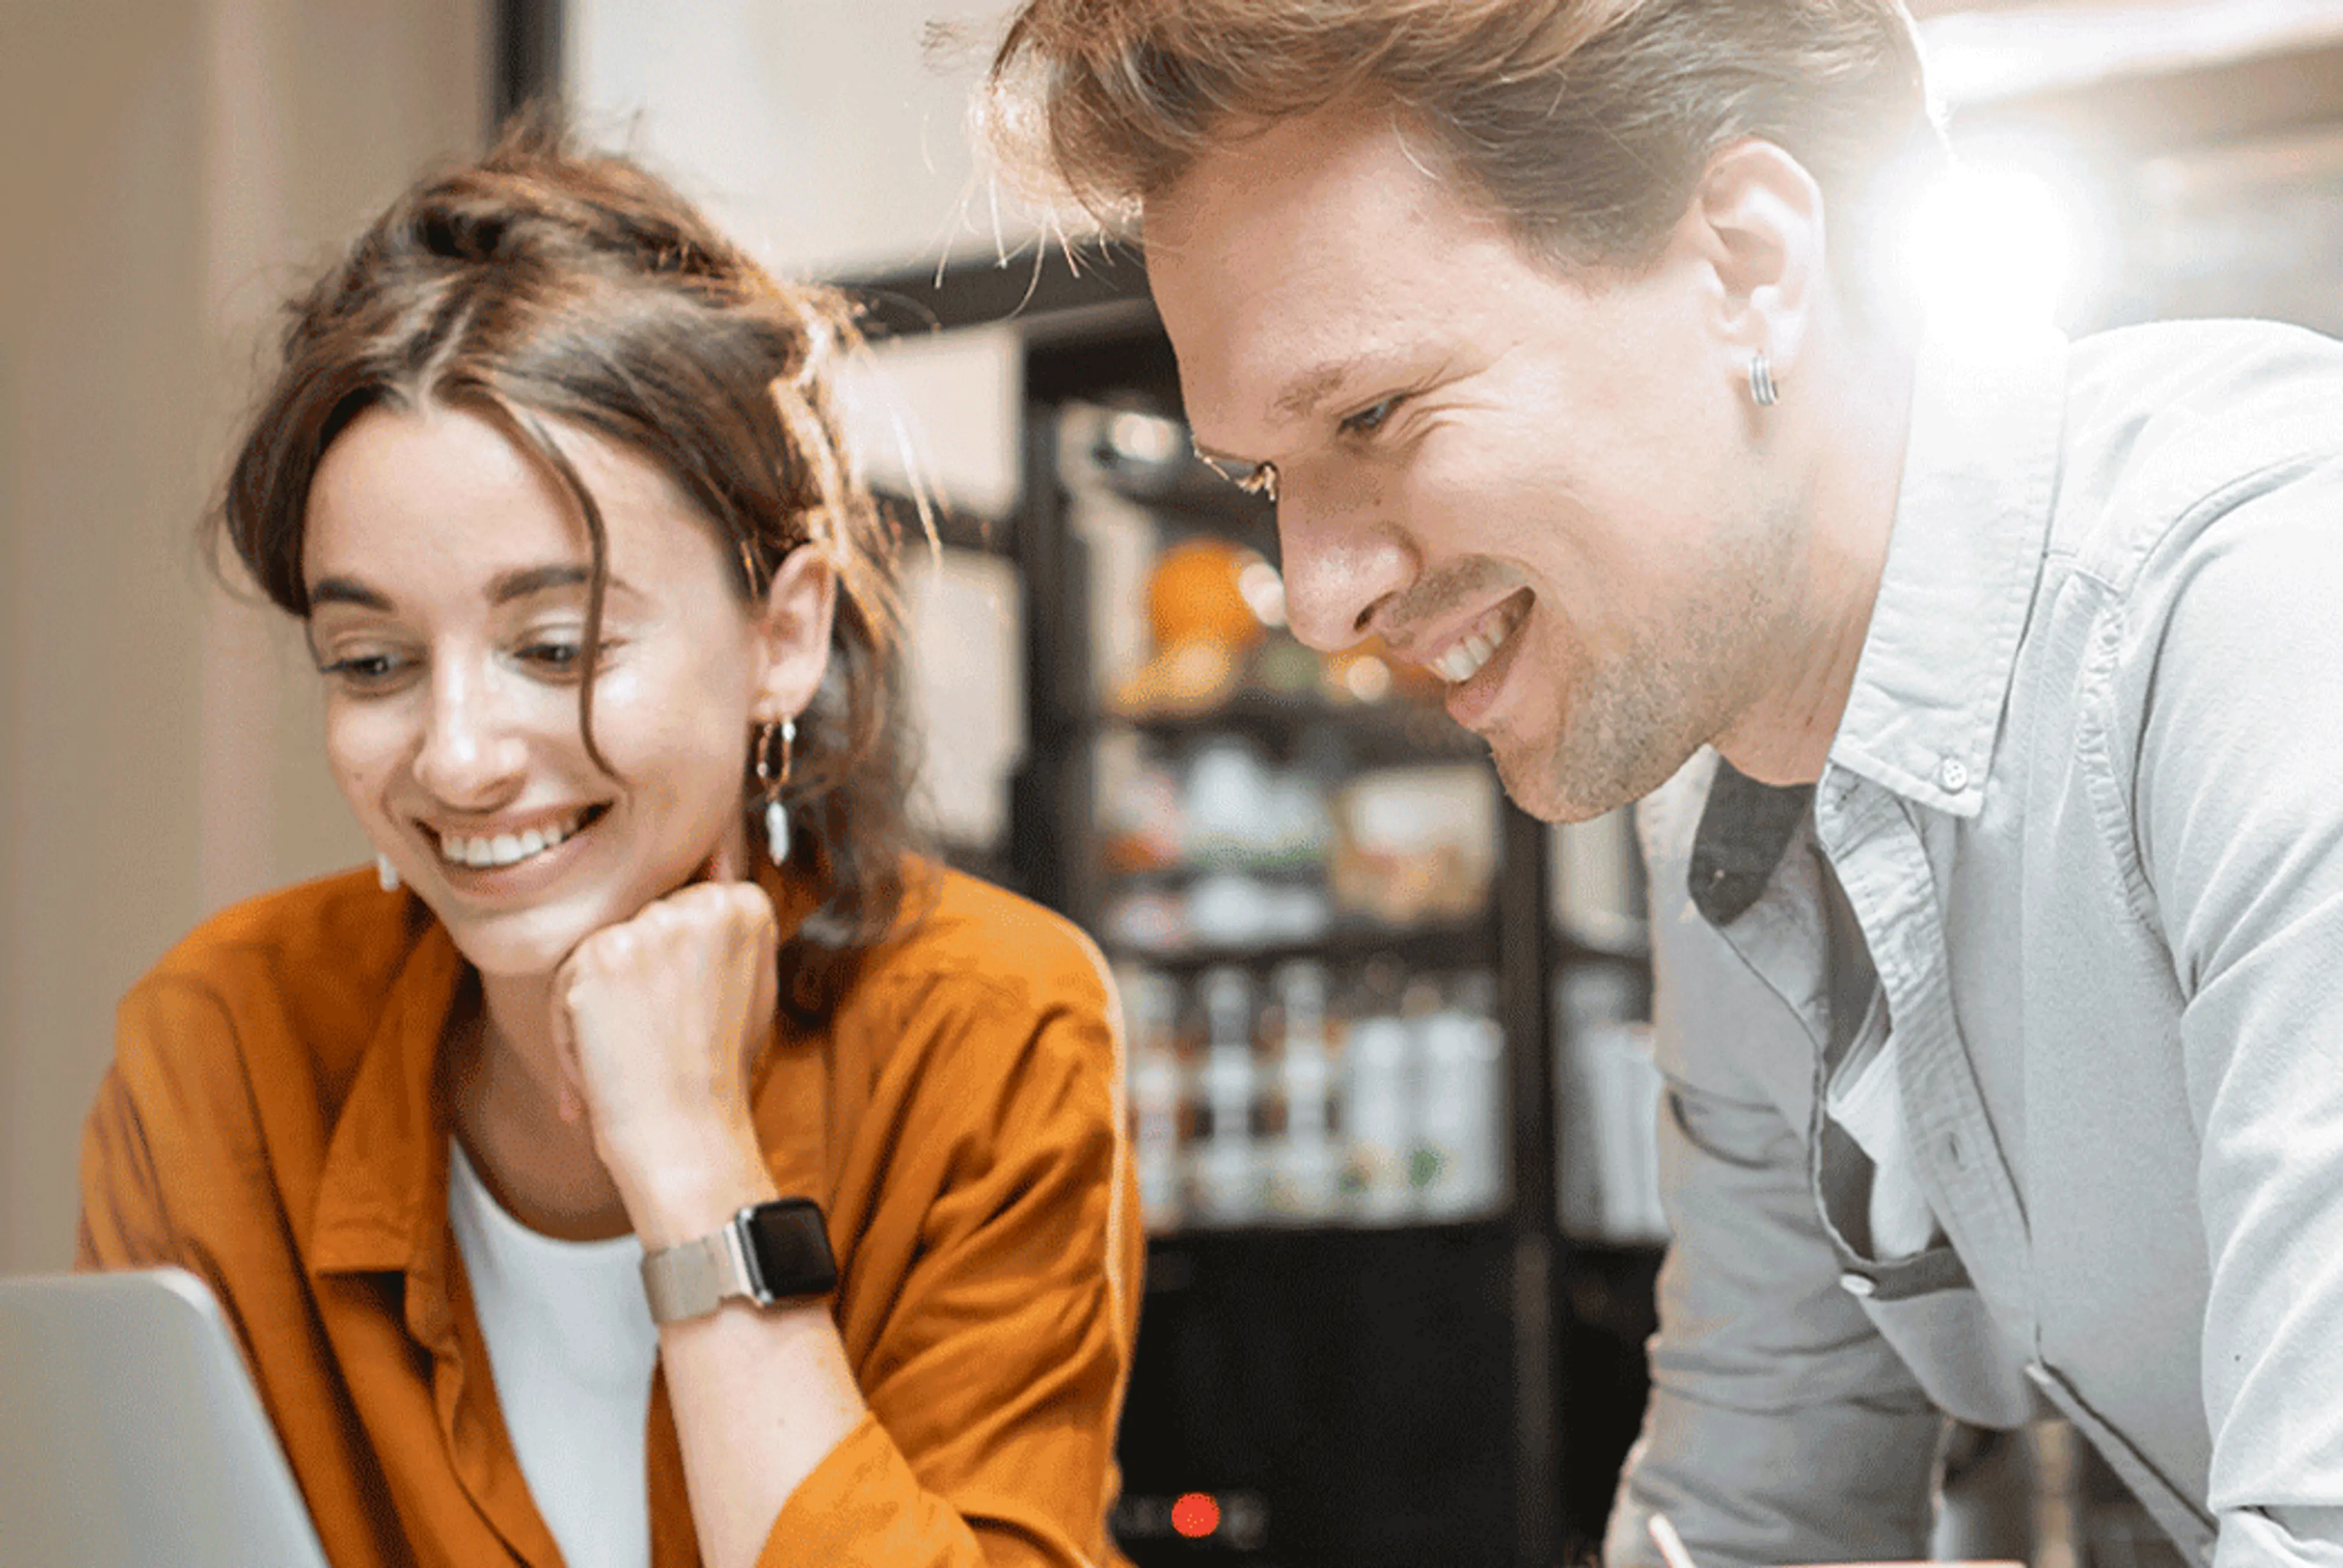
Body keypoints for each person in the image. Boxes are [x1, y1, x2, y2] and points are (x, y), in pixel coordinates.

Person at [979, 4, 2343, 1567]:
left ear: (1747, 268)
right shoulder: (1727, 786)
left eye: (1373, 414)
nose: (1316, 594)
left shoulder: (2274, 613)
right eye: (1265, 477)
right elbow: (1757, 1495)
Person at [78, 119, 1140, 1568]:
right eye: (374, 663)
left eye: (558, 644)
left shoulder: (987, 1026)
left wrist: (695, 1163)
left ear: (783, 635)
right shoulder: (223, 1043)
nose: (457, 757)